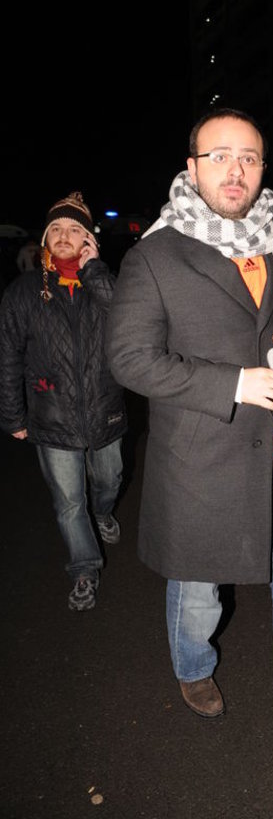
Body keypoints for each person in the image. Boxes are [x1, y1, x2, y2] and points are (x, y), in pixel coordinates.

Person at [106, 107, 273, 723]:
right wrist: (235, 383)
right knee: (198, 584)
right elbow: (129, 359)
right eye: (219, 155)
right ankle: (193, 667)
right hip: (202, 453)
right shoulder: (155, 255)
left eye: (248, 158)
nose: (235, 170)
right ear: (192, 167)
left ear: (262, 168)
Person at [0, 192, 126, 611]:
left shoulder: (104, 283)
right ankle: (84, 570)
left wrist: (95, 270)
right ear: (44, 239)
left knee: (109, 480)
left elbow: (129, 323)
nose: (63, 235)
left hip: (105, 407)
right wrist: (13, 415)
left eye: (74, 229)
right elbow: (8, 357)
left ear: (89, 239)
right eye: (55, 228)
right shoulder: (23, 292)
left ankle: (104, 512)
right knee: (69, 503)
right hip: (50, 414)